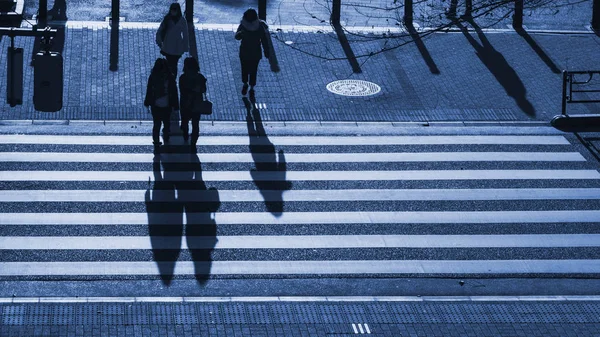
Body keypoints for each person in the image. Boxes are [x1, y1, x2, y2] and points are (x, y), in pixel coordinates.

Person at [144, 58, 179, 153]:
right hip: (167, 104)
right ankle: (166, 137)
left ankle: (156, 142)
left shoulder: (153, 76)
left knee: (156, 124)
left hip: (155, 105)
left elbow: (149, 90)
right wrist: (176, 105)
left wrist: (147, 102)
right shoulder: (170, 77)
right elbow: (174, 92)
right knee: (166, 123)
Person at [235, 8, 270, 101]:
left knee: (244, 69)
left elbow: (237, 37)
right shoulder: (260, 26)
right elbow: (264, 40)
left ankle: (245, 83)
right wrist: (267, 51)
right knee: (253, 70)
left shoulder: (243, 25)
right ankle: (252, 87)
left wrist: (240, 34)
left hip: (244, 52)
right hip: (256, 53)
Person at [179, 57, 207, 152]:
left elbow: (182, 91)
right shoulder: (200, 77)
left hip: (185, 103)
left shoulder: (182, 77)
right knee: (195, 124)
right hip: (196, 103)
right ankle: (193, 143)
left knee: (185, 121)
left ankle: (185, 134)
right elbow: (204, 90)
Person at [156, 3, 189, 77]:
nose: (173, 12)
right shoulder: (167, 19)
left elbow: (185, 35)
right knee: (171, 64)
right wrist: (159, 42)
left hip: (176, 47)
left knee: (173, 64)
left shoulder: (182, 20)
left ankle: (171, 79)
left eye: (174, 10)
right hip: (168, 46)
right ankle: (171, 79)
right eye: (172, 10)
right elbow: (160, 30)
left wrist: (185, 47)